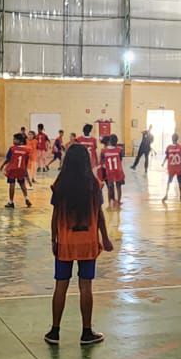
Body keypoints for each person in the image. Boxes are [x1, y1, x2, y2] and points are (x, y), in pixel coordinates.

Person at [46, 144, 114, 346]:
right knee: (86, 286)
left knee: (61, 285)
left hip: (65, 242)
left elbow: (55, 215)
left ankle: (54, 331)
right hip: (87, 242)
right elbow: (99, 214)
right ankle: (86, 332)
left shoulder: (60, 184)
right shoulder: (94, 184)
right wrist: (105, 238)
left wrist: (53, 239)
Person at [2, 133, 33, 208]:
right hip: (21, 169)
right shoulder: (27, 150)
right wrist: (26, 174)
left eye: (15, 139)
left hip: (12, 169)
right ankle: (26, 198)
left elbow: (8, 159)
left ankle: (11, 202)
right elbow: (26, 162)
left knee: (12, 184)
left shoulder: (12, 149)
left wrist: (2, 165)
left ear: (20, 141)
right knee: (22, 184)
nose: (13, 141)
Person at [100, 135, 125, 206]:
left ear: (110, 141)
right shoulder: (119, 150)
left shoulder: (104, 151)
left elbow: (102, 161)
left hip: (109, 172)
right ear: (116, 142)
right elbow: (120, 159)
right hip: (118, 171)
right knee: (118, 187)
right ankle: (119, 201)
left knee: (110, 187)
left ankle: (110, 203)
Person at [162, 134, 181, 202]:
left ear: (172, 139)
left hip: (171, 168)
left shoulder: (169, 147)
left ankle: (166, 195)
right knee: (180, 182)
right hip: (178, 168)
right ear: (177, 139)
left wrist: (163, 163)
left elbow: (167, 156)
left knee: (169, 182)